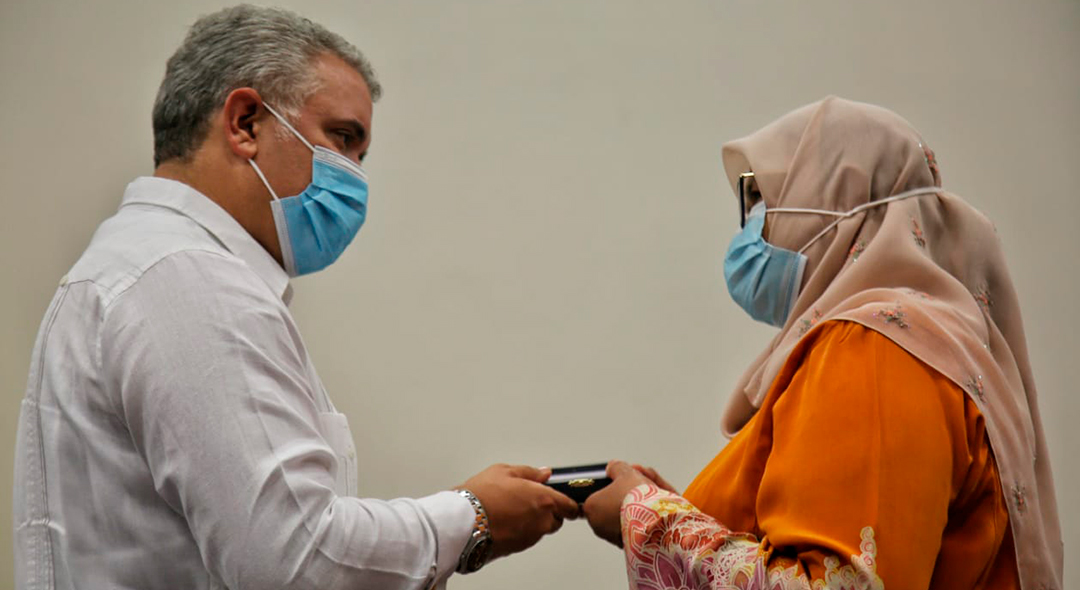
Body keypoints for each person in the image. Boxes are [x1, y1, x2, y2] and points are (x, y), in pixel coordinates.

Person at [11, 5, 578, 589]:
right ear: (245, 123)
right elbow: (296, 561)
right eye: (342, 138)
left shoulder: (140, 265)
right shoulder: (192, 283)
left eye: (361, 157)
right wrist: (471, 517)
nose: (355, 177)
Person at [583, 97, 1063, 589]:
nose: (749, 227)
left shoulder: (873, 351)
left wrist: (651, 520)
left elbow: (838, 582)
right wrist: (674, 514)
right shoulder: (922, 346)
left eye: (760, 198)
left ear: (834, 206)